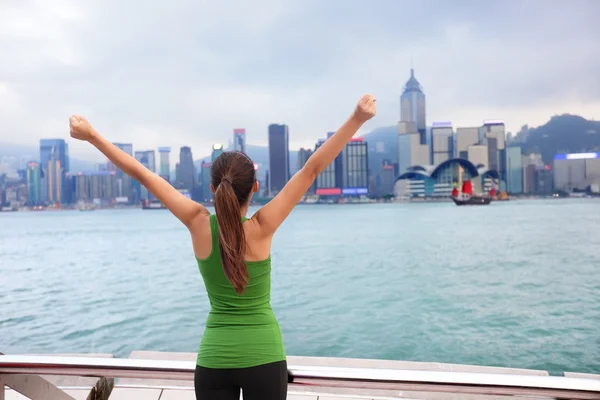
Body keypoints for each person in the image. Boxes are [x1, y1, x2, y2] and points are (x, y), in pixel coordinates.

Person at [69, 94, 376, 400]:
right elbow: (310, 170)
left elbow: (144, 176)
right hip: (264, 356)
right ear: (254, 188)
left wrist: (92, 135)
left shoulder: (198, 223)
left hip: (214, 361)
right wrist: (357, 118)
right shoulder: (262, 227)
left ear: (214, 189)